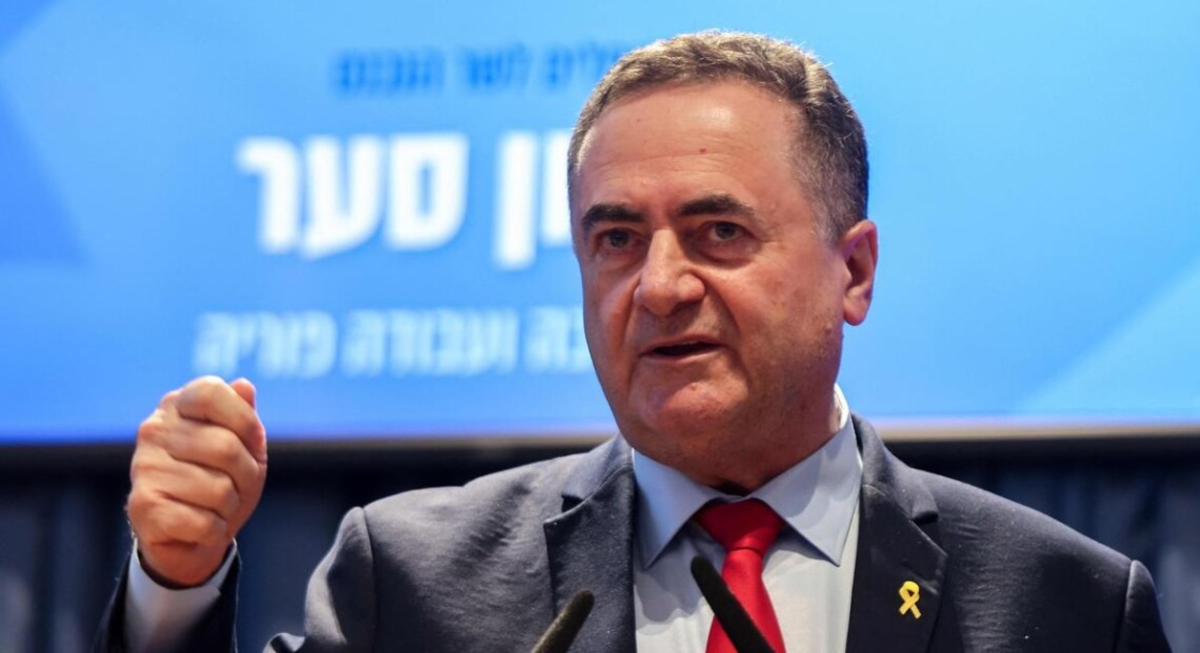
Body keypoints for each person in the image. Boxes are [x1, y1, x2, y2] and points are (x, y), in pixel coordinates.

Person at [95, 31, 1172, 652]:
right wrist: (174, 586)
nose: (658, 286)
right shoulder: (414, 578)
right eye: (615, 238)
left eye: (719, 232)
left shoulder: (1064, 604)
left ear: (854, 272)